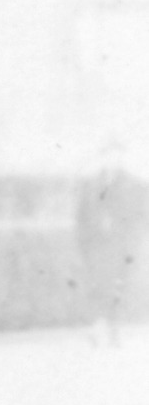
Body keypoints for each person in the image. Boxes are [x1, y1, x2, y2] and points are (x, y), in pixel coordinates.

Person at [74, 137, 147, 345]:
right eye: (108, 154)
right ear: (102, 157)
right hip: (96, 245)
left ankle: (114, 328)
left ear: (122, 157)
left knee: (118, 287)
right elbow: (81, 217)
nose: (113, 159)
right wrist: (85, 243)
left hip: (121, 246)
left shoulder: (135, 185)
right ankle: (98, 326)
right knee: (97, 286)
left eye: (117, 155)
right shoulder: (90, 184)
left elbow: (142, 217)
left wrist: (132, 243)